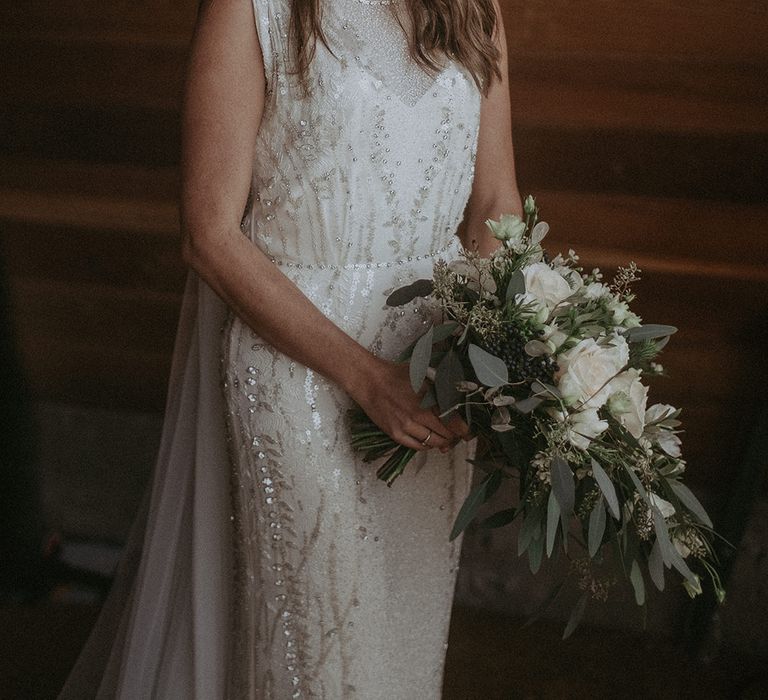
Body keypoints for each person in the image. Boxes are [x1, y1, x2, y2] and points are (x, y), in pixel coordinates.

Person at [59, 0, 521, 696]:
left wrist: (493, 350)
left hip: (434, 372)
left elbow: (495, 201)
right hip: (302, 378)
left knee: (402, 650)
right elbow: (208, 234)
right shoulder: (252, 8)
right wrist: (368, 378)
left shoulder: (471, 7)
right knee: (322, 662)